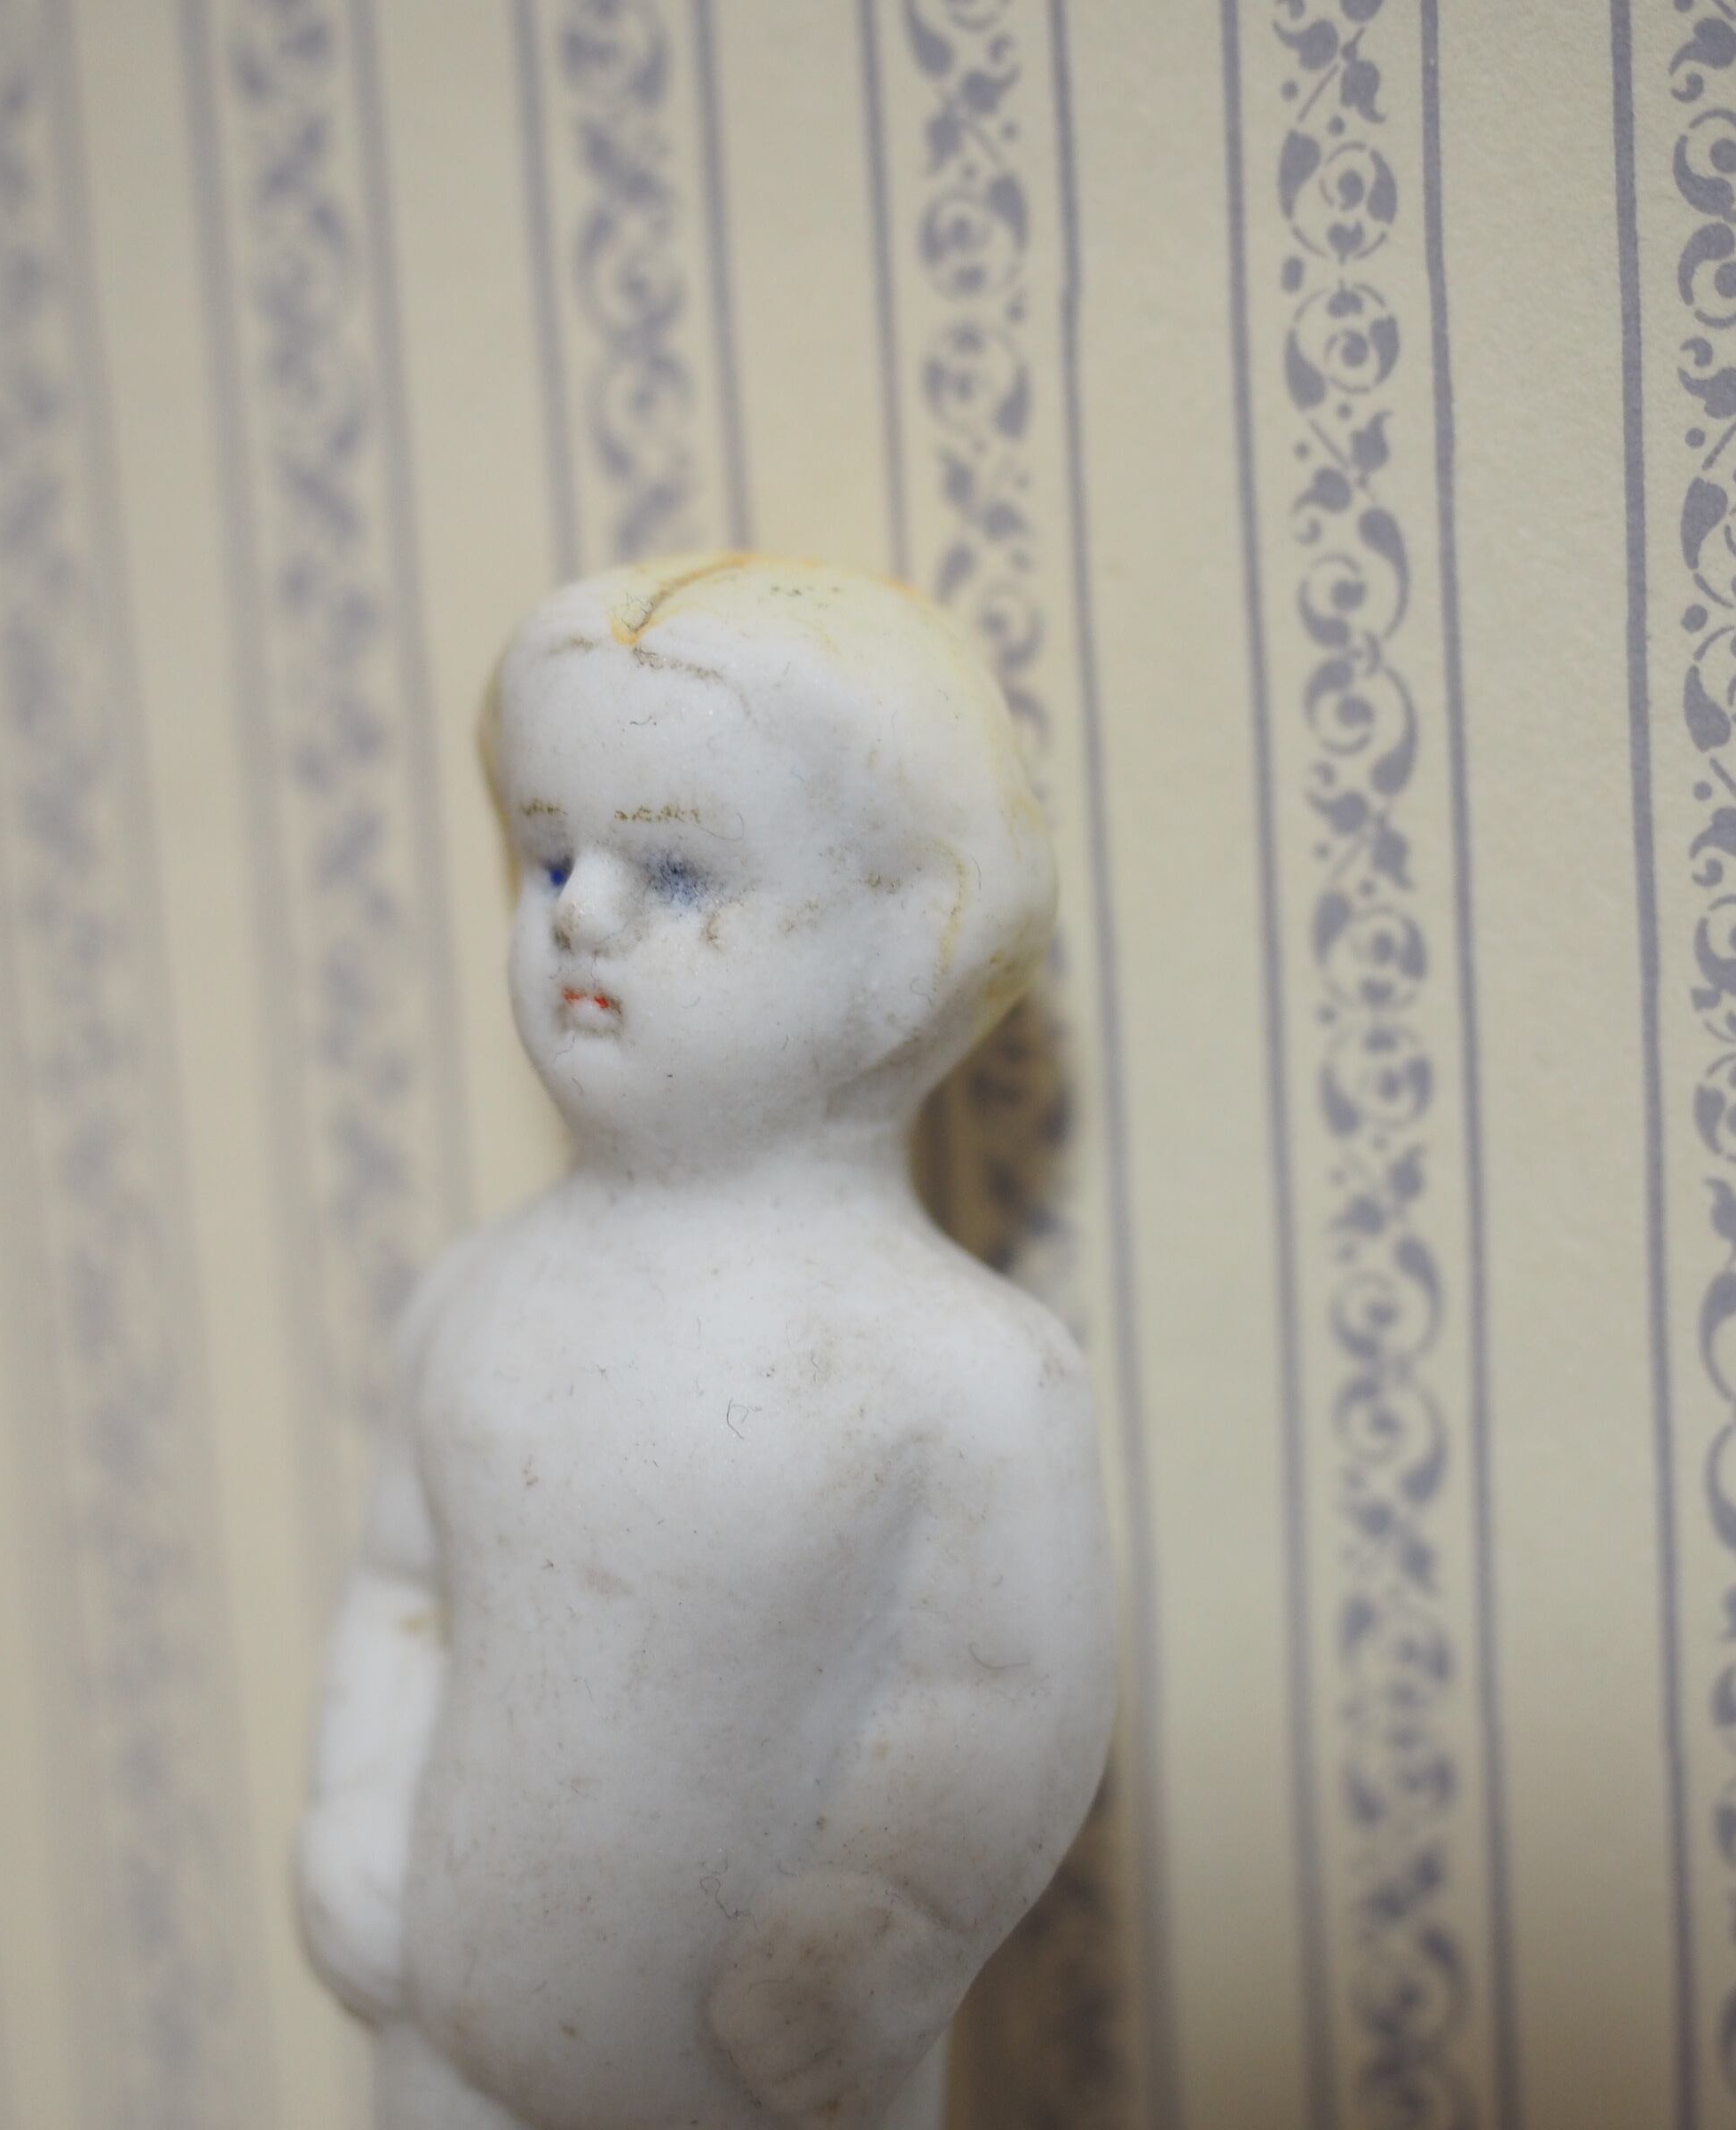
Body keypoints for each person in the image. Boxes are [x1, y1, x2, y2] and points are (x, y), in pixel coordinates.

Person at [296, 554, 1116, 2130]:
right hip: (447, 2046)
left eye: (674, 874)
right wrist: (357, 1803)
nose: (580, 913)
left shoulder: (966, 1380)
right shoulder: (470, 1301)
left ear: (908, 948)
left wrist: (889, 1928)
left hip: (753, 2086)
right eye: (549, 856)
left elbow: (1000, 1699)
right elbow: (405, 1589)